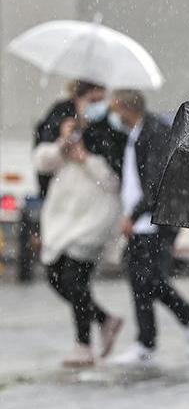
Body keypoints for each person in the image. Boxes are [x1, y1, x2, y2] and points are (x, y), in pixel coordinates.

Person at [108, 90, 189, 365]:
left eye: (115, 109)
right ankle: (146, 344)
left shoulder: (154, 132)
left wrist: (133, 214)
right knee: (139, 280)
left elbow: (155, 182)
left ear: (126, 108)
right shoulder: (136, 132)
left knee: (151, 280)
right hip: (141, 223)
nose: (113, 115)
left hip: (154, 221)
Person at [33, 117, 124, 367]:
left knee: (75, 280)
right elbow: (42, 162)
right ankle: (105, 320)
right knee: (55, 277)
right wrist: (63, 143)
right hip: (62, 220)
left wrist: (85, 158)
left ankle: (83, 345)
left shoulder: (109, 133)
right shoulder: (63, 123)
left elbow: (114, 181)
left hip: (93, 221)